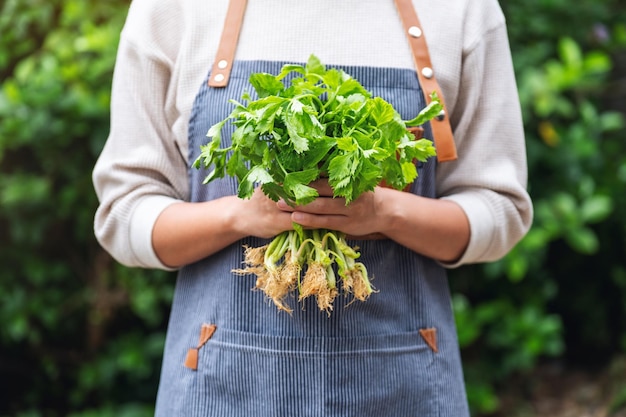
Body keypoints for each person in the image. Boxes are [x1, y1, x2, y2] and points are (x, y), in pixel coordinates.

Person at [93, 0, 532, 415]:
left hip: (402, 386)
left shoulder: (460, 10)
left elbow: (501, 208)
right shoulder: (173, 9)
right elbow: (124, 212)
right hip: (223, 385)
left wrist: (384, 213)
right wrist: (242, 215)